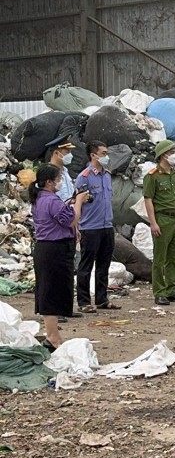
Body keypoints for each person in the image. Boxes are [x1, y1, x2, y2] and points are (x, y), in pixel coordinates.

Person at [29, 164, 90, 351]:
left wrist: (69, 205)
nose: (59, 182)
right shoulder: (51, 200)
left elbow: (59, 219)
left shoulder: (41, 198)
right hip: (54, 250)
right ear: (49, 182)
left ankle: (53, 334)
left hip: (46, 248)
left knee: (50, 290)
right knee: (51, 292)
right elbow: (71, 220)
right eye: (57, 179)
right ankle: (52, 336)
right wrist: (78, 202)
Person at [143, 140, 175, 306]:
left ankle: (171, 289)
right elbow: (148, 200)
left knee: (174, 256)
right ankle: (159, 292)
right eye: (171, 152)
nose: (174, 155)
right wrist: (153, 223)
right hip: (162, 219)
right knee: (160, 258)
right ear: (163, 154)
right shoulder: (152, 176)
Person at [74, 140, 120, 313]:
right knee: (86, 266)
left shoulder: (107, 175)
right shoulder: (84, 177)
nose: (106, 157)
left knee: (104, 264)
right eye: (103, 153)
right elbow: (79, 202)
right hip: (90, 227)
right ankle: (84, 302)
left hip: (106, 226)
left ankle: (102, 299)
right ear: (93, 155)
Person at [45, 133, 81, 323]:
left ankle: (66, 307)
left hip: (69, 223)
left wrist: (76, 226)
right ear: (57, 152)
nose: (69, 154)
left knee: (68, 269)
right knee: (56, 271)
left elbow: (71, 199)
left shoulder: (64, 173)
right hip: (56, 227)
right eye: (66, 151)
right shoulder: (48, 174)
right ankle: (55, 310)